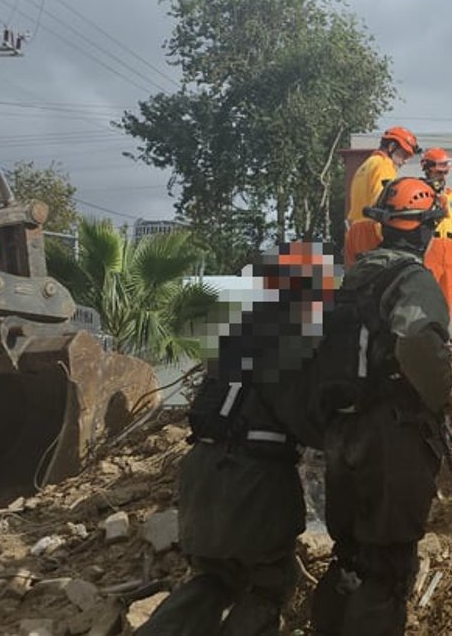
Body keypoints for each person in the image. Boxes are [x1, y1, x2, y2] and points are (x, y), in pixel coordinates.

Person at [139, 242, 337, 635]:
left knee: (213, 581)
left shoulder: (238, 329)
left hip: (202, 474)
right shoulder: (292, 340)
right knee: (270, 584)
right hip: (252, 481)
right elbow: (303, 420)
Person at [311, 176, 452, 636]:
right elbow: (416, 342)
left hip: (342, 436)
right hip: (391, 438)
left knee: (351, 557)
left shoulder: (351, 280)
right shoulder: (412, 278)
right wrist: (443, 394)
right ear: (425, 231)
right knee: (387, 566)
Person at [344, 127, 420, 266]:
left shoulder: (367, 164)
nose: (404, 162)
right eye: (404, 155)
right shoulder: (384, 165)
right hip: (371, 232)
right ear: (391, 147)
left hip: (354, 231)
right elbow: (383, 202)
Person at [420, 147, 452, 318]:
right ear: (428, 170)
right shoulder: (421, 193)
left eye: (445, 173)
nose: (443, 177)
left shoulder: (450, 195)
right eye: (439, 173)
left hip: (449, 248)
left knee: (448, 297)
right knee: (428, 295)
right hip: (431, 247)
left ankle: (444, 335)